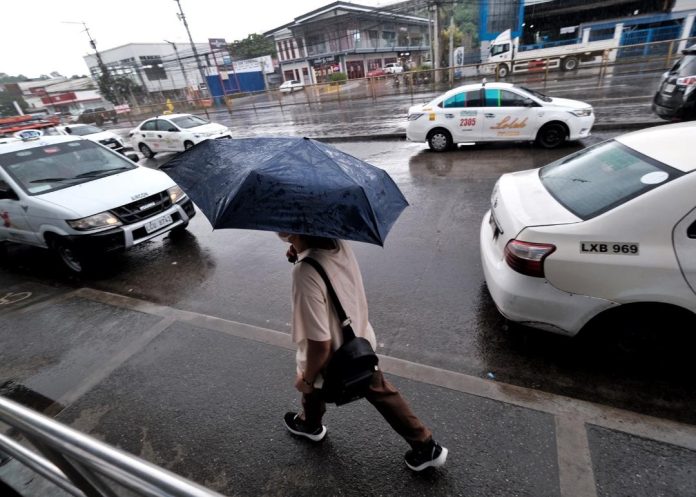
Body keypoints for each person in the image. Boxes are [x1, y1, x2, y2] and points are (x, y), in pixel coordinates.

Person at [279, 233, 448, 471]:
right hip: (358, 338)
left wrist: (305, 379)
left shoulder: (305, 273)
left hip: (337, 357)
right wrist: (302, 251)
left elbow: (320, 345)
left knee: (312, 382)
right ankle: (424, 445)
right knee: (378, 389)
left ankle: (310, 424)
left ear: (290, 232)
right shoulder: (337, 242)